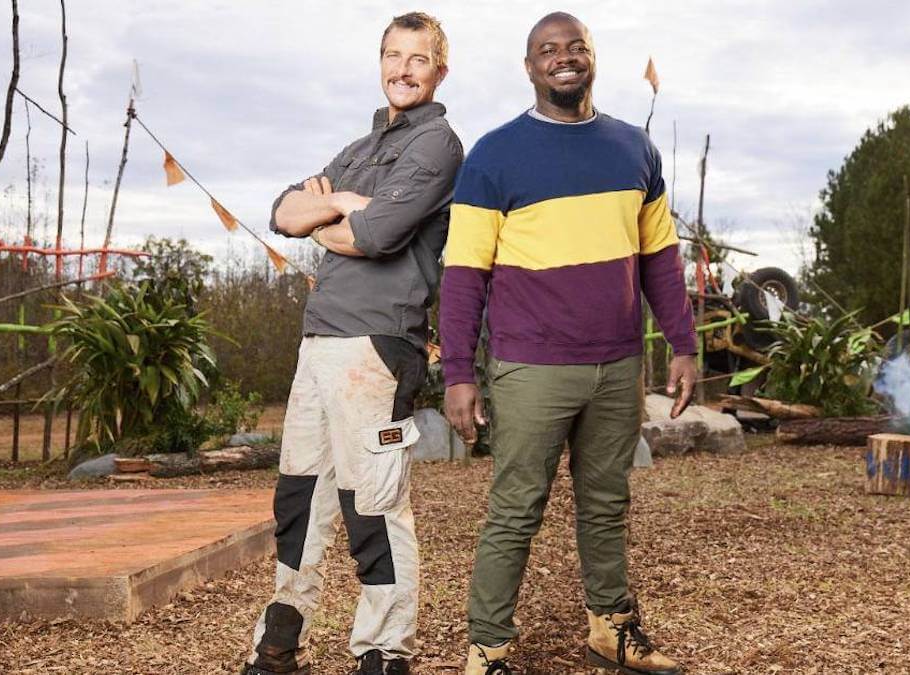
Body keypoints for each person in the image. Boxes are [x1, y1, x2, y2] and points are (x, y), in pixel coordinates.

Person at [440, 12, 696, 675]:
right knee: (514, 509)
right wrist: (459, 373)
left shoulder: (634, 150)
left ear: (593, 58)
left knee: (607, 502)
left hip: (617, 364)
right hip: (530, 366)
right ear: (529, 67)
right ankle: (488, 648)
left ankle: (611, 630)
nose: (563, 57)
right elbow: (465, 274)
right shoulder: (493, 155)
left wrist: (684, 344)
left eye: (575, 46)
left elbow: (660, 260)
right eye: (547, 50)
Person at [242, 12, 462, 675]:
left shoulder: (438, 145)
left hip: (380, 345)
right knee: (299, 497)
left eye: (417, 58)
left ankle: (383, 654)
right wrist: (342, 200)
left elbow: (377, 235)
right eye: (392, 55)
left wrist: (330, 215)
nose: (402, 69)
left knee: (374, 502)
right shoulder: (359, 148)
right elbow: (282, 211)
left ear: (438, 70)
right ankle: (278, 645)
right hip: (319, 342)